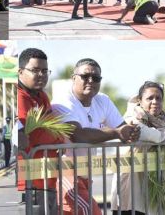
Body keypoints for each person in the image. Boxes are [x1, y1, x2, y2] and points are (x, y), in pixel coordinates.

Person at [52, 58, 140, 215]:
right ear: (74, 78)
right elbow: (79, 136)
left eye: (96, 78)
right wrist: (115, 133)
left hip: (85, 175)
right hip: (64, 174)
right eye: (85, 76)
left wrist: (131, 131)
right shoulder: (62, 101)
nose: (91, 81)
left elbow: (122, 129)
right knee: (90, 211)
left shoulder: (102, 100)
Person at [110, 81, 165, 215]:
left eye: (158, 98)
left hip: (155, 190)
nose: (155, 102)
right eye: (150, 98)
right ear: (140, 101)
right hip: (132, 187)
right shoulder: (130, 119)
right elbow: (148, 133)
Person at [17, 48, 63, 214]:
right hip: (31, 183)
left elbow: (52, 127)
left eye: (45, 71)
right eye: (35, 70)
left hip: (48, 179)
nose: (42, 75)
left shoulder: (42, 96)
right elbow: (30, 136)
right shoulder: (19, 96)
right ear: (21, 71)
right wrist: (58, 137)